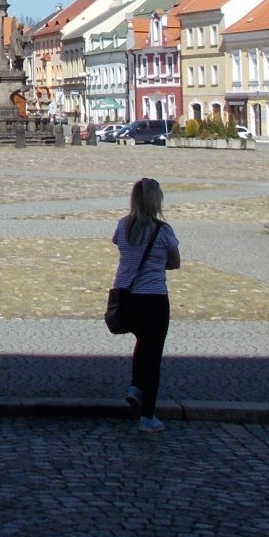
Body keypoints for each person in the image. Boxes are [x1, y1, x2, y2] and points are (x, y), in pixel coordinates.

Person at [111, 177, 180, 432]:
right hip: (154, 298)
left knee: (141, 344)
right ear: (156, 200)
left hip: (127, 296)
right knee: (153, 356)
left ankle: (135, 387)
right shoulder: (163, 231)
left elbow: (122, 248)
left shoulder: (122, 226)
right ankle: (147, 416)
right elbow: (175, 262)